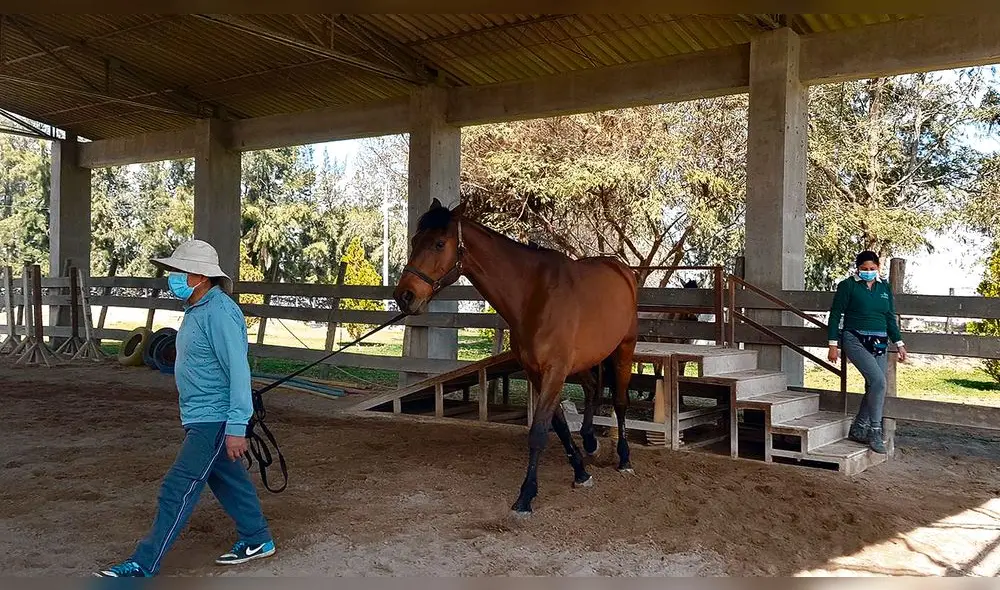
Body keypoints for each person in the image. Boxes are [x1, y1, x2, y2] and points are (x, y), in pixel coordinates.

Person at [96, 240, 276, 577]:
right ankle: (257, 538)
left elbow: (238, 370)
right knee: (228, 480)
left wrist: (237, 427)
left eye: (180, 271)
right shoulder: (197, 309)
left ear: (201, 276)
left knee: (177, 487)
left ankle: (143, 564)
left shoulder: (219, 312)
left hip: (214, 417)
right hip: (200, 414)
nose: (174, 277)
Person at [827, 250, 907, 454]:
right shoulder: (848, 286)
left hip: (880, 341)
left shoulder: (884, 287)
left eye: (872, 268)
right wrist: (833, 344)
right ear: (858, 268)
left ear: (878, 268)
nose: (868, 272)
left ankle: (858, 428)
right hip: (854, 338)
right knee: (879, 382)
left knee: (874, 385)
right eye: (864, 269)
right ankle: (875, 431)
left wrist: (899, 343)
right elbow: (835, 314)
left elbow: (890, 316)